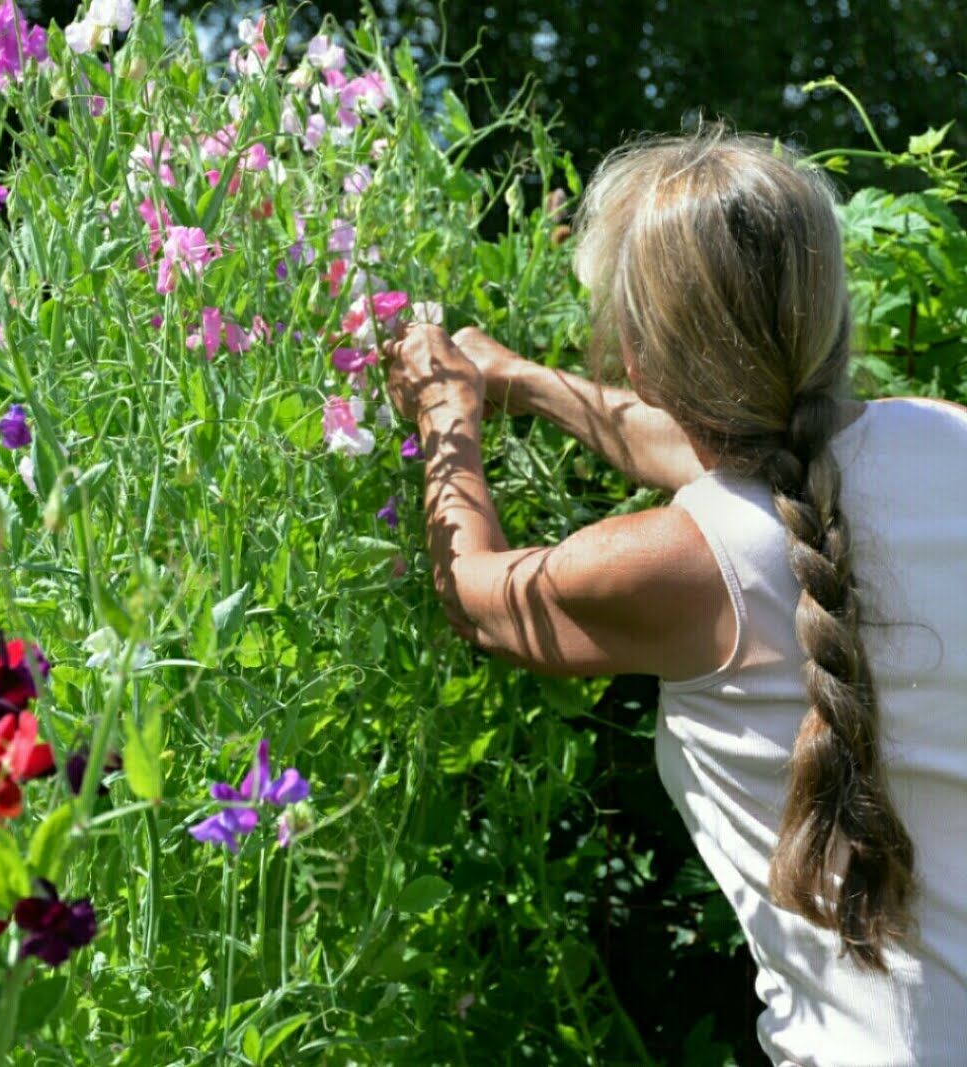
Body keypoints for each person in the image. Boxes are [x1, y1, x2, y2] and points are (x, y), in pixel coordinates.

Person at [383, 129, 967, 1066]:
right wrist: (529, 384)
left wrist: (444, 414)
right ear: (829, 314)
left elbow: (481, 596)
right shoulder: (950, 443)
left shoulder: (674, 562)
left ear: (641, 364)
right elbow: (759, 461)